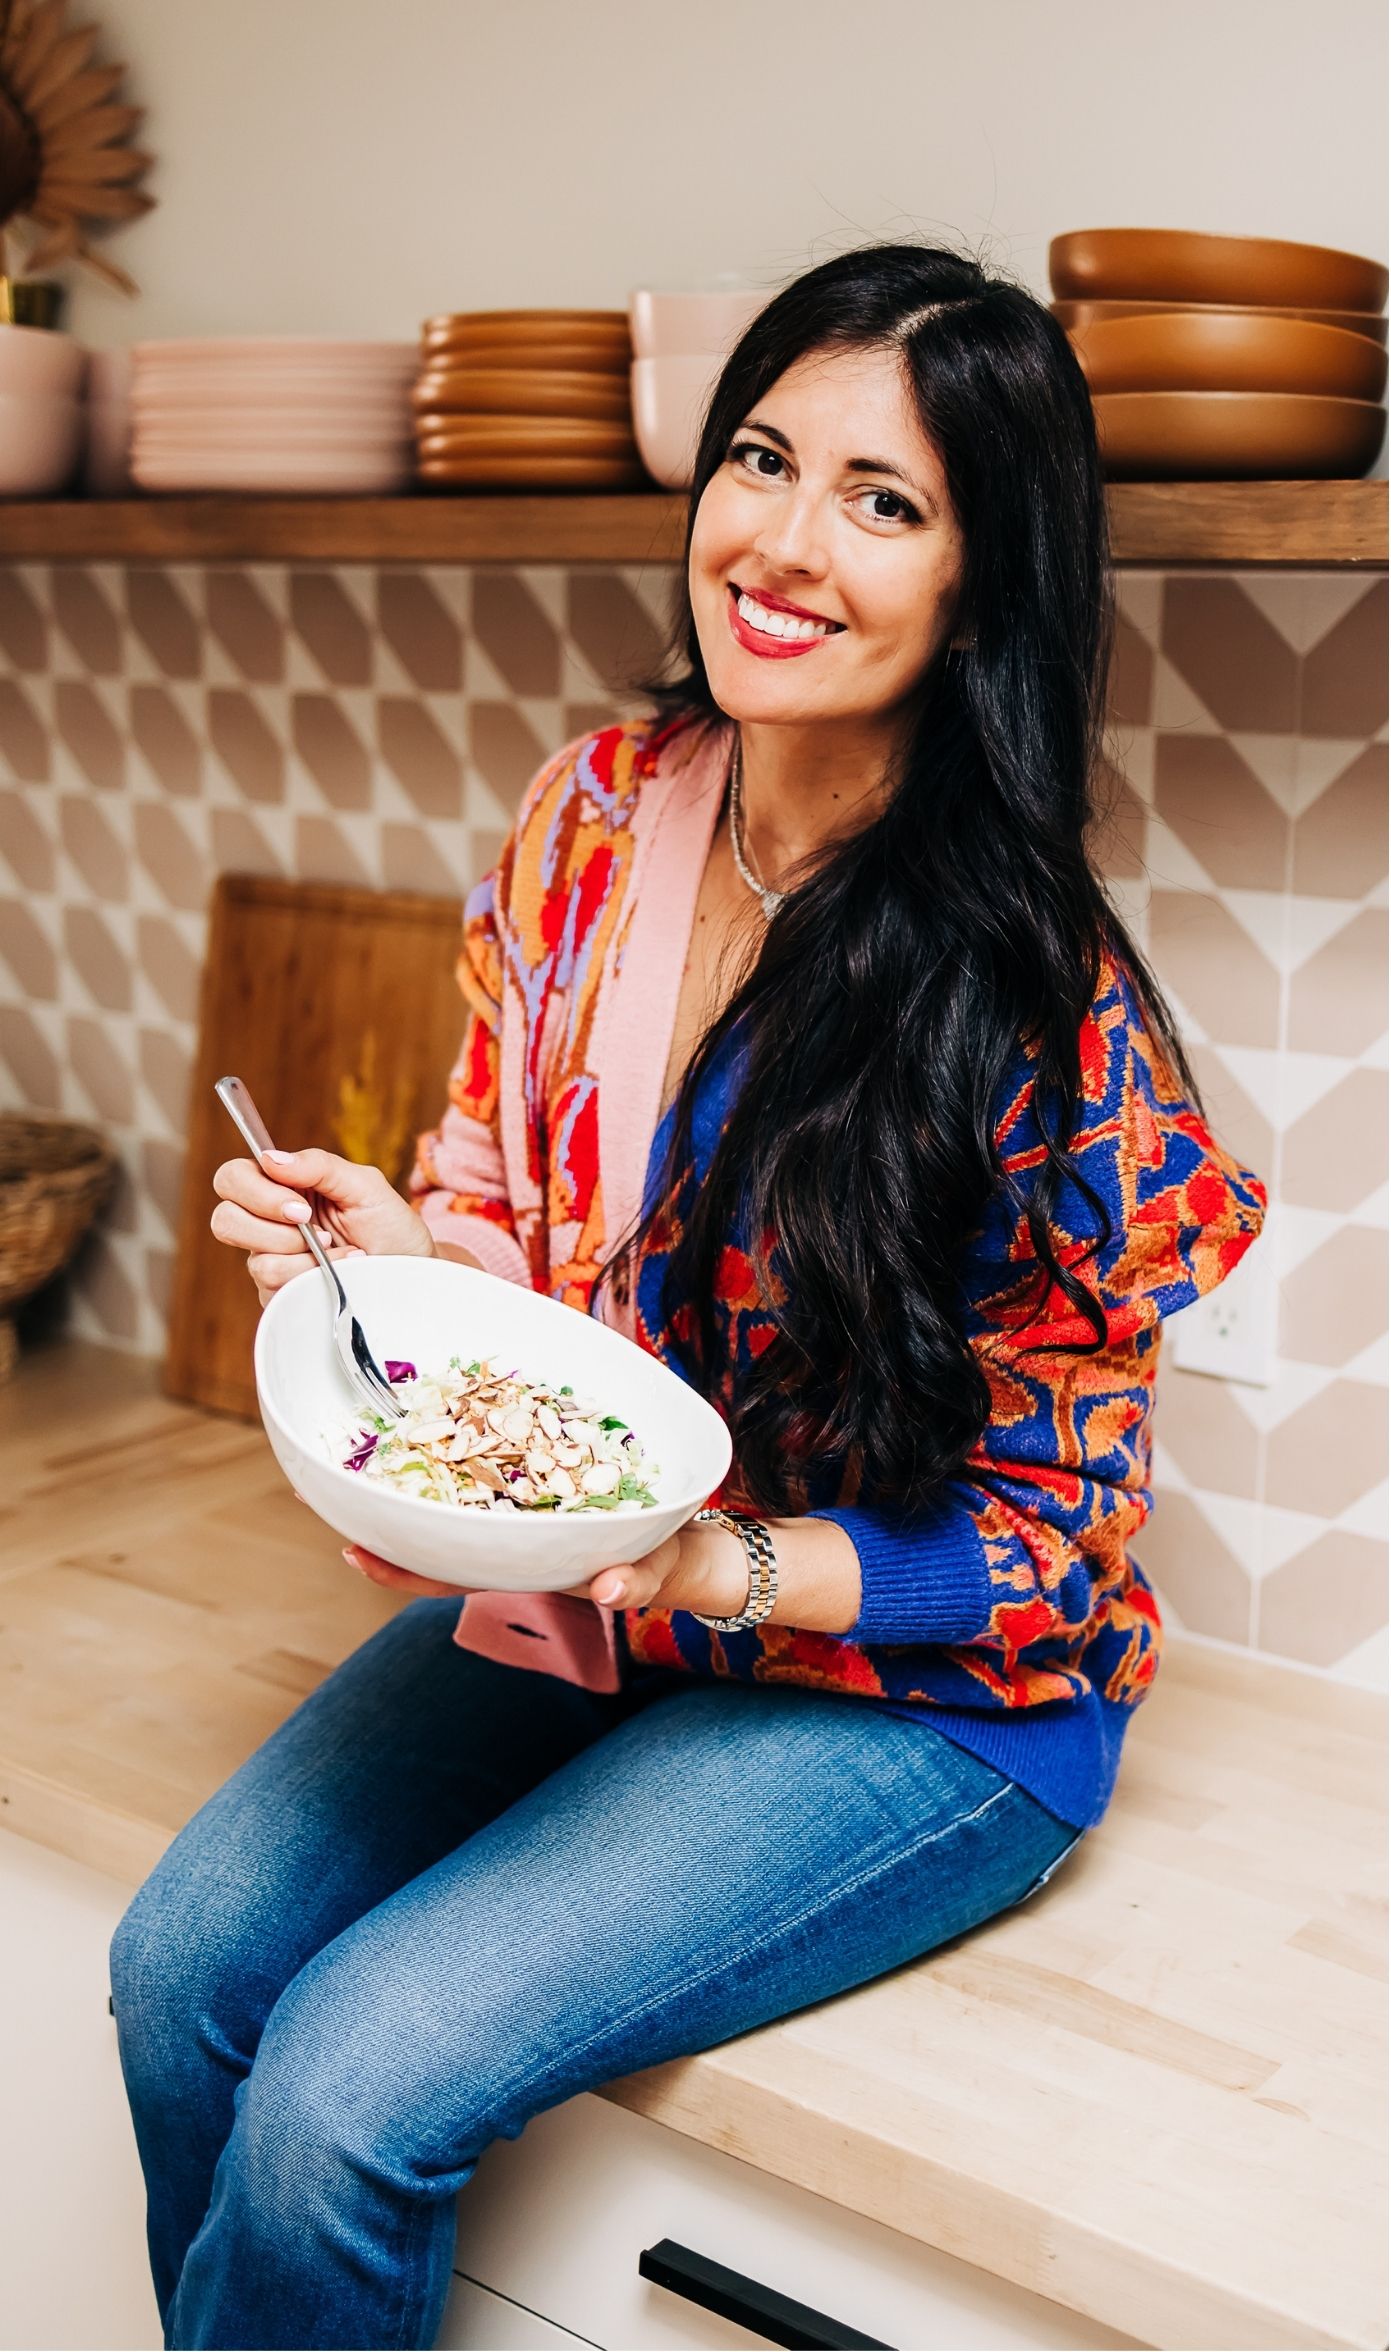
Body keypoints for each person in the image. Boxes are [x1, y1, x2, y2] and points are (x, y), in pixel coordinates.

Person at [110, 241, 1266, 2351]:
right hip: (627, 1601)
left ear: (982, 587)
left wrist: (716, 1567)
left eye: (885, 501)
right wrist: (387, 1254)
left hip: (931, 1697)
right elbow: (514, 1235)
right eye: (762, 457)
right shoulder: (591, 822)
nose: (789, 541)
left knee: (348, 2099)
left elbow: (1054, 1529)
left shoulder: (1035, 1009)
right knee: (178, 1972)